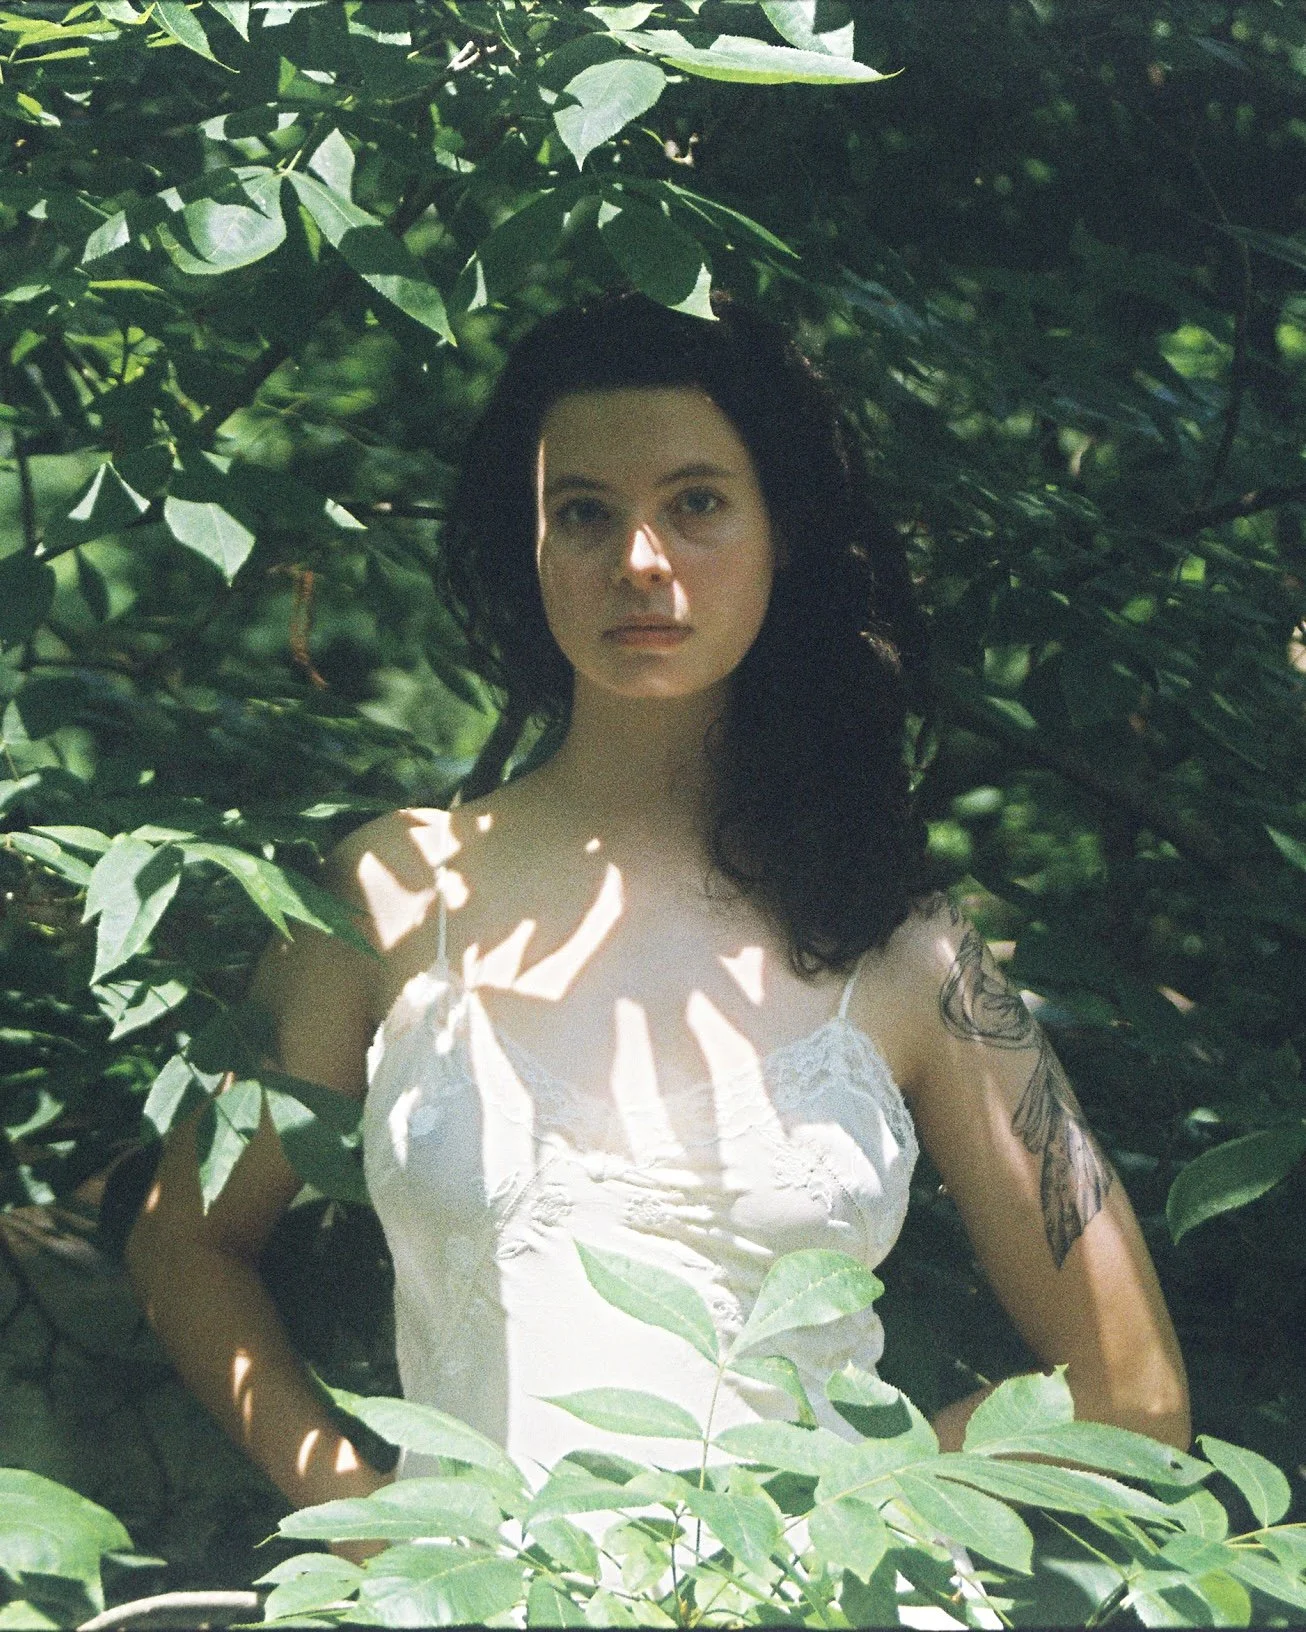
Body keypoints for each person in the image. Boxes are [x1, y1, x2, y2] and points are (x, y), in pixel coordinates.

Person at [125, 291, 1189, 1535]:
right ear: (527, 545)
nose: (640, 560)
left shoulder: (903, 948)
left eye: (696, 503)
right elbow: (183, 1243)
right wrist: (363, 1523)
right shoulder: (395, 892)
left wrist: (811, 1541)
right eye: (583, 511)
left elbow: (1130, 1391)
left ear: (780, 532)